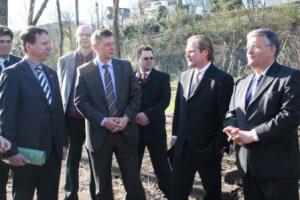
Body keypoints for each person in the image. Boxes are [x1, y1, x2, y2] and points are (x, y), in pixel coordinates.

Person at [223, 28, 300, 200]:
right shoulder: (241, 83)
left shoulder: (290, 77)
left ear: (272, 50)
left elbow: (291, 116)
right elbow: (231, 113)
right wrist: (232, 128)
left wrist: (252, 135)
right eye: (247, 48)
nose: (249, 51)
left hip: (278, 168)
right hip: (247, 167)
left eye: (255, 47)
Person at [74, 29, 146, 200]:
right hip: (99, 136)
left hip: (125, 133)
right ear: (95, 46)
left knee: (134, 184)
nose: (112, 47)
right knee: (102, 188)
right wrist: (103, 120)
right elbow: (80, 102)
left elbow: (136, 95)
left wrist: (127, 118)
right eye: (107, 44)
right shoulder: (84, 71)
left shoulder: (125, 66)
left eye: (113, 43)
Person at [0, 26, 67, 200]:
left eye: (49, 43)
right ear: (28, 46)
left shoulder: (51, 74)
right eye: (44, 43)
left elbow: (58, 112)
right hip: (25, 154)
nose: (49, 47)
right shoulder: (12, 74)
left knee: (49, 195)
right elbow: (6, 116)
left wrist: (63, 142)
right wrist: (11, 152)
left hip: (52, 152)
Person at [171, 35, 234, 200]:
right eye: (186, 51)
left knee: (212, 194)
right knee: (177, 192)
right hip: (183, 148)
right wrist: (175, 135)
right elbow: (179, 109)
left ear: (205, 52)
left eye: (191, 51)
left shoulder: (222, 79)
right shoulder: (184, 77)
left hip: (209, 150)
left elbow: (226, 115)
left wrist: (221, 145)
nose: (187, 54)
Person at [57, 24, 96, 200]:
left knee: (96, 160)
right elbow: (60, 89)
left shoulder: (100, 58)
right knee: (72, 160)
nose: (85, 38)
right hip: (71, 119)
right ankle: (70, 195)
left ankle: (96, 194)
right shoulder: (64, 60)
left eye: (89, 34)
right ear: (76, 36)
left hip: (94, 119)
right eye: (82, 35)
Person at [135, 45, 172, 199]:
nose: (149, 61)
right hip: (135, 130)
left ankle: (171, 195)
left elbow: (165, 101)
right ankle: (133, 195)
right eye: (145, 58)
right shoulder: (130, 77)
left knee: (162, 167)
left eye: (151, 58)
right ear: (138, 60)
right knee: (132, 167)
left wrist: (147, 115)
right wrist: (135, 116)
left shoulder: (162, 77)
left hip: (155, 130)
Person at [0, 25, 22, 200]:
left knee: (21, 180)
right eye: (1, 42)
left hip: (18, 131)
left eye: (8, 41)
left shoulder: (20, 64)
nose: (6, 45)